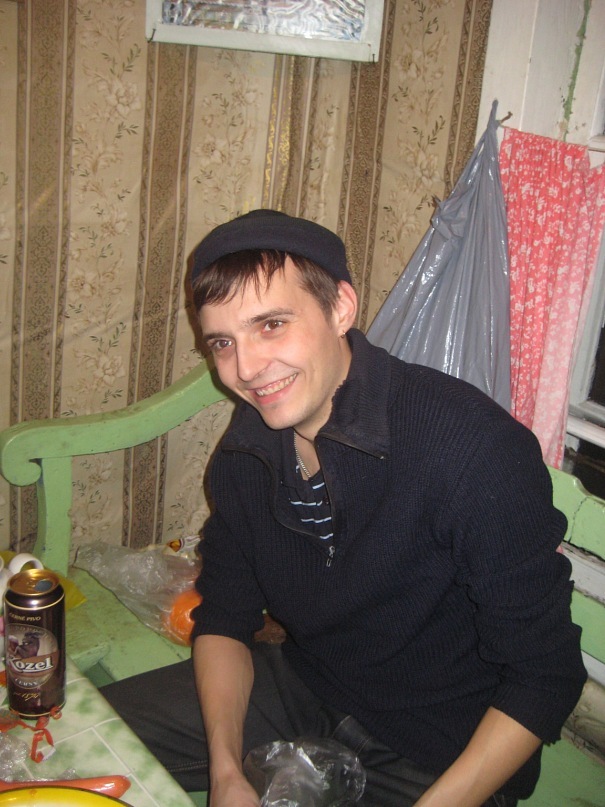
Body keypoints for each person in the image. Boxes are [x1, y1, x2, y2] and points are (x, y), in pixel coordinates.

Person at [103, 209, 586, 807]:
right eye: (222, 343)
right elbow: (225, 616)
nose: (246, 370)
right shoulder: (248, 453)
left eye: (271, 325)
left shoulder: (468, 447)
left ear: (340, 308)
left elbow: (544, 676)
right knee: (72, 745)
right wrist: (226, 773)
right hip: (308, 686)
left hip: (444, 750)